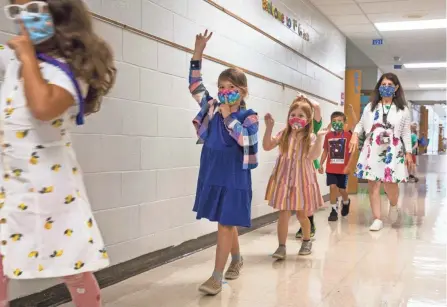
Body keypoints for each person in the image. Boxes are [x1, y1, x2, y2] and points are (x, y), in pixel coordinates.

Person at [0, 0, 116, 306]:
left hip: (52, 191)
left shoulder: (67, 68)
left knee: (73, 267)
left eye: (32, 10)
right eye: (16, 11)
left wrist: (26, 55)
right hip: (11, 186)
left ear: (59, 12)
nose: (24, 19)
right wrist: (23, 56)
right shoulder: (18, 61)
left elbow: (42, 107)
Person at [189, 30, 259, 295]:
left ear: (243, 91)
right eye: (222, 87)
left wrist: (230, 117)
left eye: (231, 88)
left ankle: (217, 277)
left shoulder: (249, 116)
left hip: (234, 177)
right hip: (213, 172)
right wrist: (198, 53)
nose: (225, 92)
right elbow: (195, 85)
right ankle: (238, 259)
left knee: (226, 223)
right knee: (224, 220)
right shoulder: (212, 108)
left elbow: (246, 141)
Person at [264, 97, 327, 258]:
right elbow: (267, 146)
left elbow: (314, 155)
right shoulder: (284, 134)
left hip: (302, 181)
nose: (296, 118)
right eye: (293, 114)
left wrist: (320, 138)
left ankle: (307, 240)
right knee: (283, 213)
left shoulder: (310, 137)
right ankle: (281, 246)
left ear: (308, 120)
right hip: (284, 179)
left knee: (301, 214)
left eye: (301, 115)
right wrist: (269, 128)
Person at [349, 73, 414, 231]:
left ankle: (393, 204)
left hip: (393, 148)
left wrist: (408, 153)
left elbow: (405, 133)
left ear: (396, 88)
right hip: (373, 147)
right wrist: (355, 135)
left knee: (391, 184)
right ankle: (377, 218)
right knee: (373, 183)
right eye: (383, 84)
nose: (386, 88)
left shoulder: (403, 110)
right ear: (379, 87)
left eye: (390, 85)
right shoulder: (371, 107)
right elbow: (360, 124)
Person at [319, 111, 356, 221]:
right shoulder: (328, 136)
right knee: (332, 187)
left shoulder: (349, 135)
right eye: (334, 121)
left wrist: (348, 166)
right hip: (331, 168)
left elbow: (352, 154)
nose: (337, 123)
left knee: (342, 190)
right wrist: (321, 163)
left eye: (339, 121)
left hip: (343, 169)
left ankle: (346, 201)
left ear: (344, 122)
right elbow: (325, 151)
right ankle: (333, 210)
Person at [295, 96, 321, 239]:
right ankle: (305, 223)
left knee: (306, 196)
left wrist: (306, 99)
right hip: (295, 165)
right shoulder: (293, 126)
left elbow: (317, 107)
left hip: (308, 164)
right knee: (300, 198)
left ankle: (309, 223)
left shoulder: (314, 125)